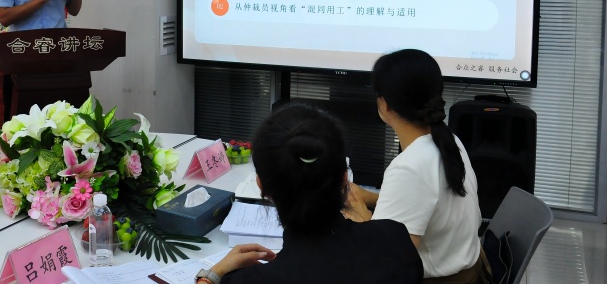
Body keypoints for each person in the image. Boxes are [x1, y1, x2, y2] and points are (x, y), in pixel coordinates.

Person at [196, 103, 423, 284]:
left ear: (261, 186)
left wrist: (210, 277)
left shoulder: (249, 280)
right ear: (345, 179)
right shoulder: (396, 241)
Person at [347, 49, 485, 283]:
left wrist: (360, 216)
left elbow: (388, 263)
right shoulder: (450, 141)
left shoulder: (409, 167)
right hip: (469, 271)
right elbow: (432, 203)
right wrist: (371, 198)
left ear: (385, 104)